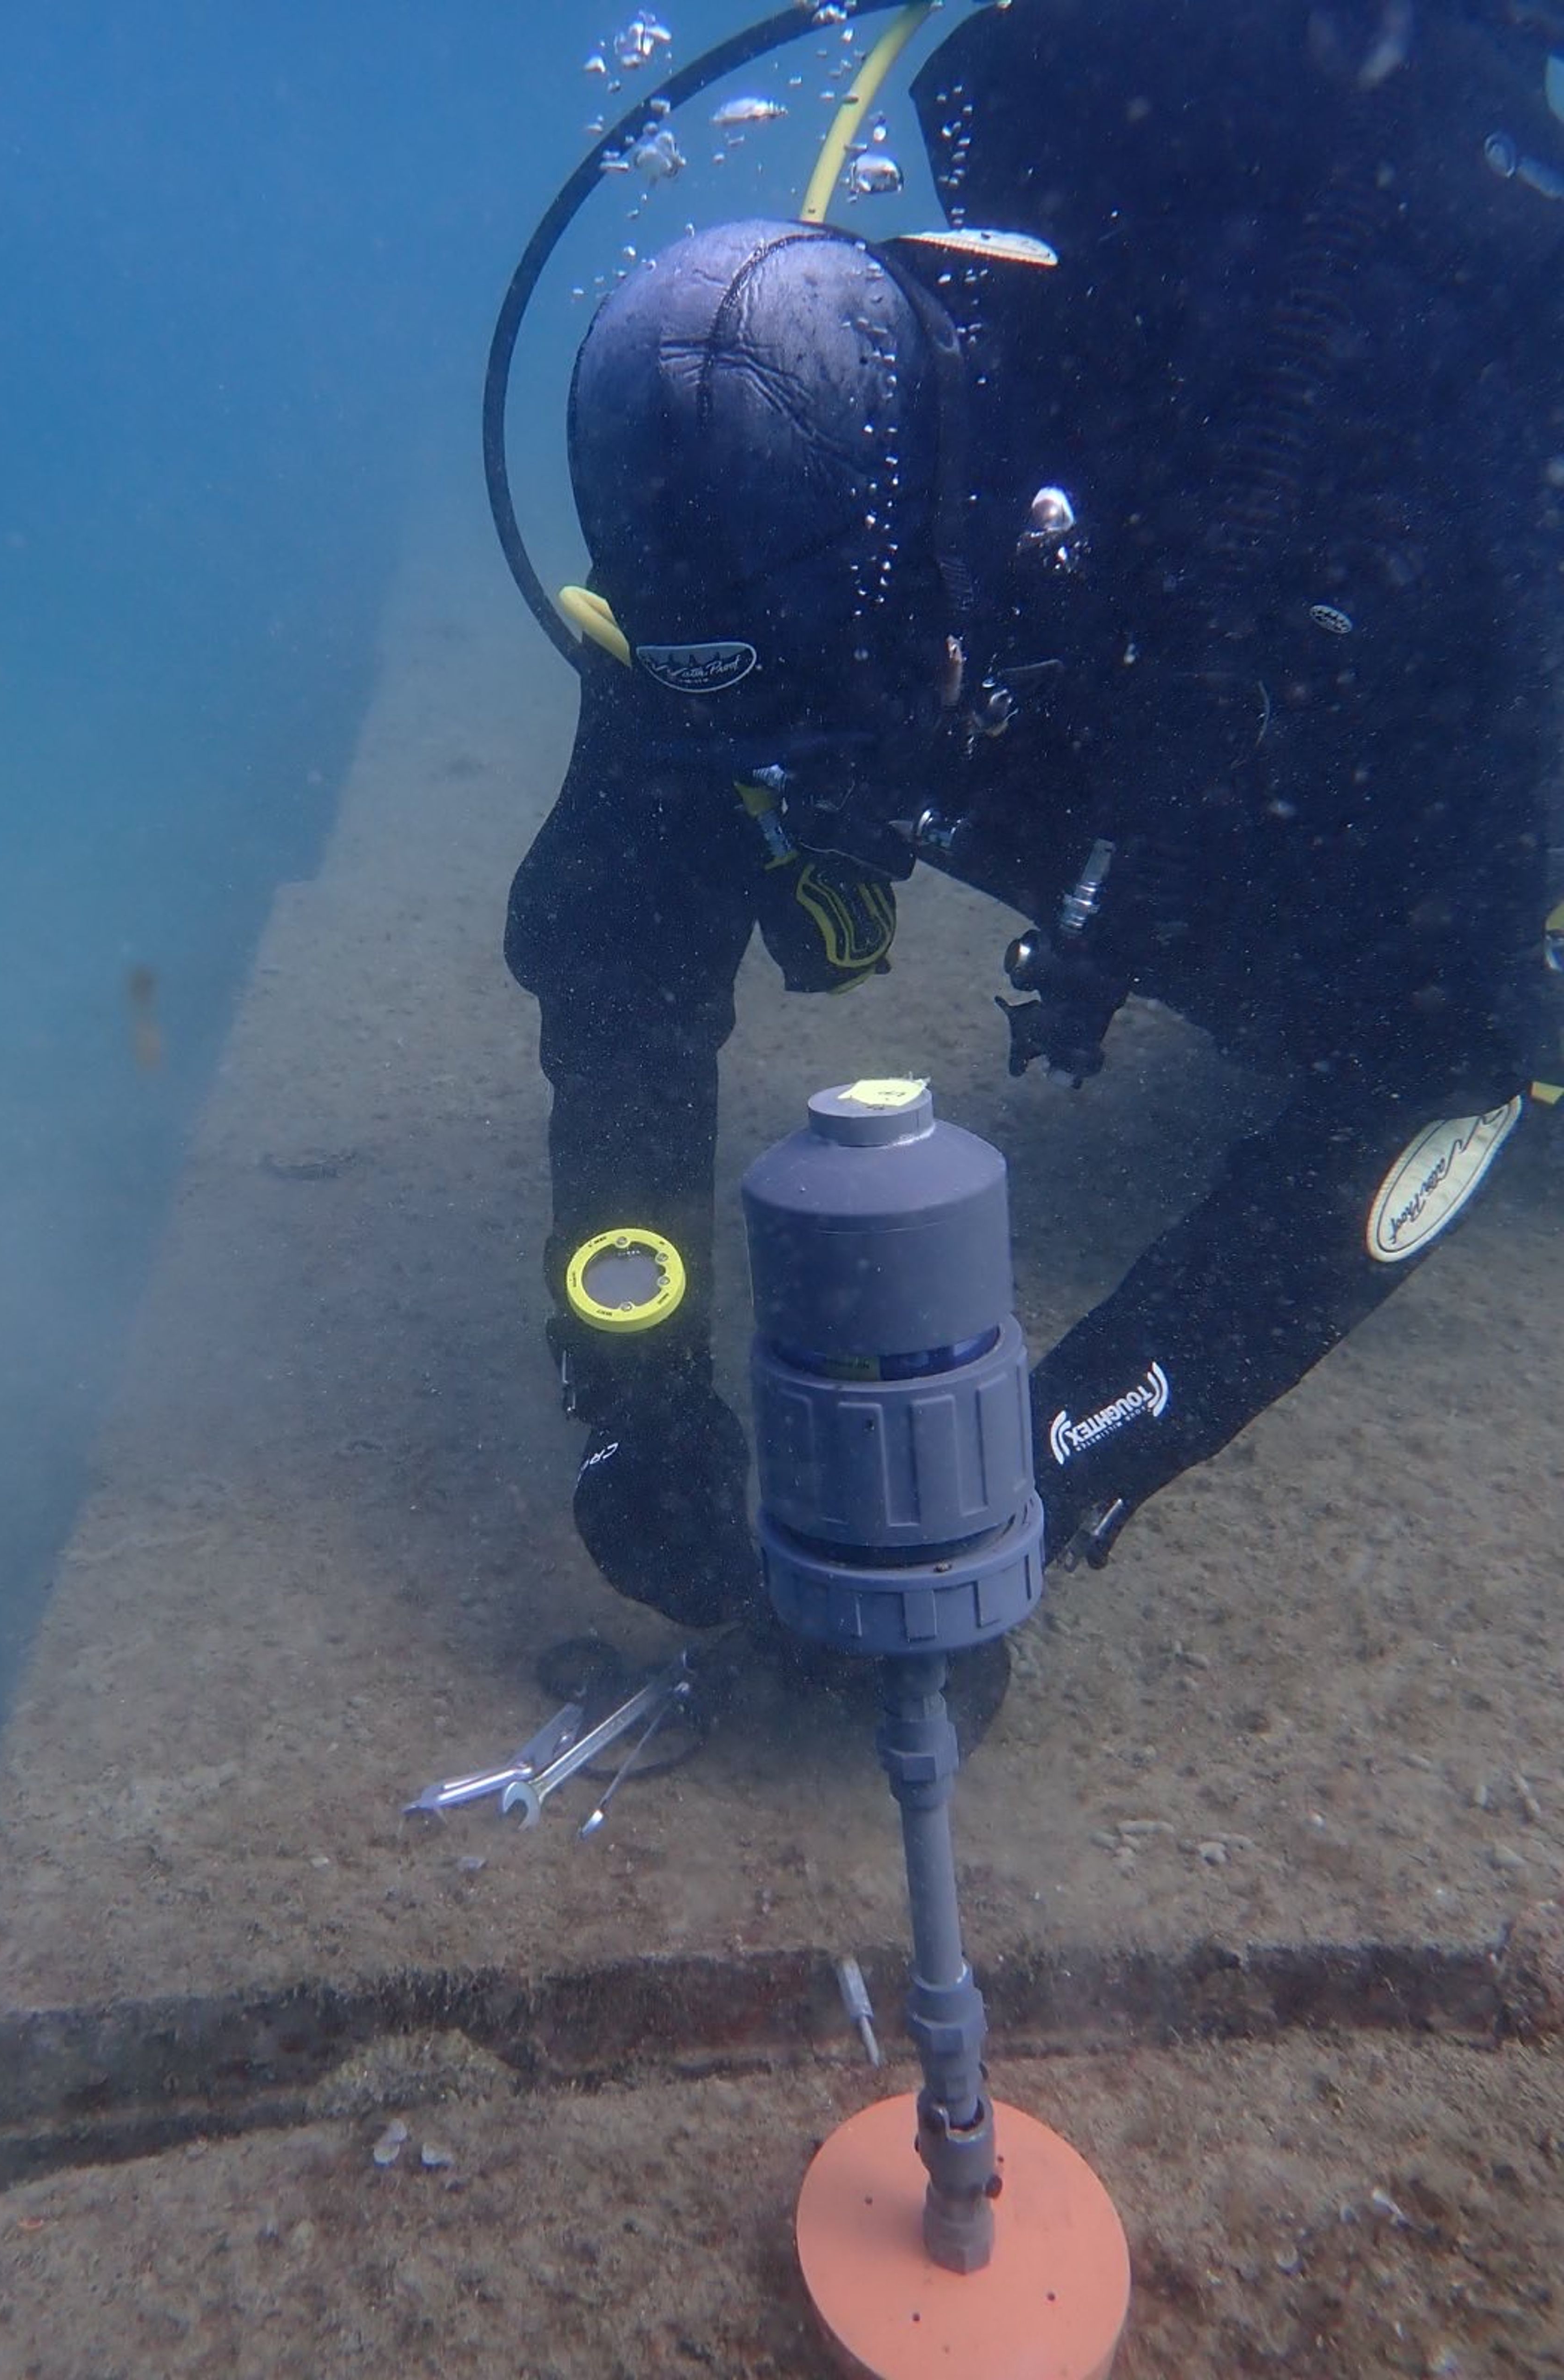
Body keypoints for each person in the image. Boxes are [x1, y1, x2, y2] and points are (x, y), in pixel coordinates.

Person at [504, 0, 1564, 1650]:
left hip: (1405, 738)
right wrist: (632, 1385)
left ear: (962, 589)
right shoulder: (746, 530)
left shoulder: (1354, 536)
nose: (798, 792)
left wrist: (1052, 1462)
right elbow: (621, 951)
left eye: (836, 730)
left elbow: (1455, 1056)